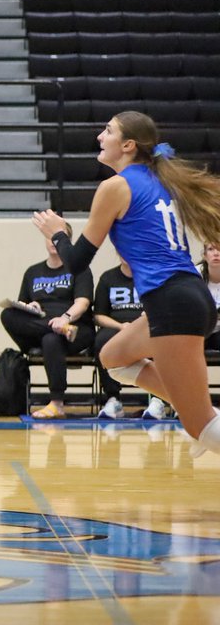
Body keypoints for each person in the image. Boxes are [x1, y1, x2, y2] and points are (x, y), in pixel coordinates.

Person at [32, 111, 220, 454]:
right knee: (113, 357)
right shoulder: (162, 179)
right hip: (190, 297)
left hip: (172, 302)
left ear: (128, 145)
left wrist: (58, 233)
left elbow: (76, 262)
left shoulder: (115, 187)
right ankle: (202, 414)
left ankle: (204, 420)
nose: (100, 137)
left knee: (200, 425)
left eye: (108, 130)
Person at [0, 223, 95, 419]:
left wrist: (65, 319)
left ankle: (56, 404)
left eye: (57, 236)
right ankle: (56, 329)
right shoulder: (32, 272)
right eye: (49, 236)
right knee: (7, 314)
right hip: (41, 326)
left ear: (67, 242)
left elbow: (83, 303)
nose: (53, 241)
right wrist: (31, 306)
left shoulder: (80, 270)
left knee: (51, 339)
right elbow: (22, 305)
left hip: (76, 328)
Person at [93, 259, 168, 419]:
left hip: (145, 325)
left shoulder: (150, 275)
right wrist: (121, 326)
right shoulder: (108, 278)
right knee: (101, 341)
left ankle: (158, 400)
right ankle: (113, 399)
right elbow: (99, 315)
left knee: (158, 339)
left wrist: (139, 325)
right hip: (117, 327)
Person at [198, 243, 220, 351]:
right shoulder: (194, 274)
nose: (216, 253)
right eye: (211, 249)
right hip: (198, 330)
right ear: (205, 255)